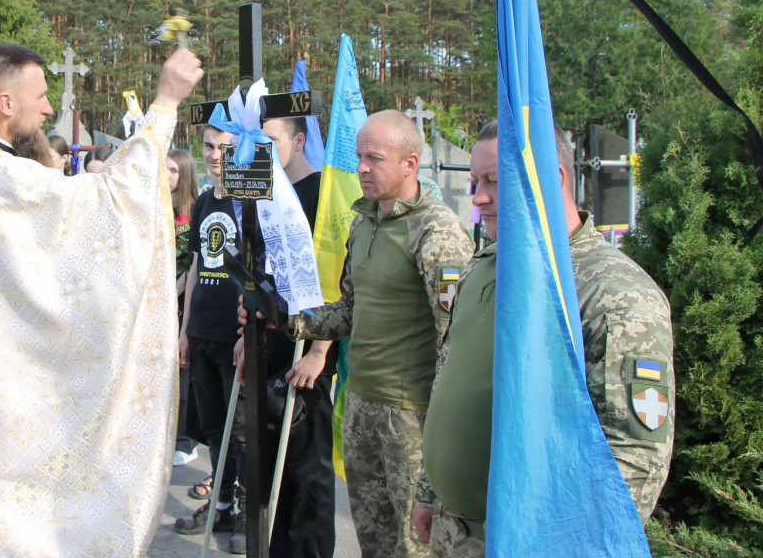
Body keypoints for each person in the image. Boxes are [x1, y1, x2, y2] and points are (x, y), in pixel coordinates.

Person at [0, 42, 203, 557]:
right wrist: (164, 105)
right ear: (7, 103)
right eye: (41, 96)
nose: (49, 108)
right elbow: (109, 206)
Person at [413, 123, 674, 557]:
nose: (477, 197)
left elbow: (635, 454)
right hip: (452, 530)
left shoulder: (611, 290)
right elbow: (451, 379)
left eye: (494, 181)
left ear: (551, 181)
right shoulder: (484, 266)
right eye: (476, 181)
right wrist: (431, 491)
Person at [286, 110, 474, 558]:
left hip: (411, 418)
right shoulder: (364, 221)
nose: (362, 168)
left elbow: (456, 337)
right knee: (374, 542)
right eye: (359, 157)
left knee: (413, 546)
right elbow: (351, 309)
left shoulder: (436, 231)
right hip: (361, 405)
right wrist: (288, 318)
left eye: (375, 158)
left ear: (410, 164)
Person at [233, 115, 337, 557]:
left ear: (298, 140)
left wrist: (318, 352)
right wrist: (245, 335)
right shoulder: (265, 191)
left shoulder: (322, 195)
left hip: (307, 357)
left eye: (270, 141)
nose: (261, 150)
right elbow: (258, 274)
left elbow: (333, 277)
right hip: (269, 345)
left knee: (307, 480)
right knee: (273, 478)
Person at [175, 125, 246, 538]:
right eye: (209, 146)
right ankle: (219, 505)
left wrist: (245, 336)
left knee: (239, 430)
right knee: (215, 429)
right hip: (201, 330)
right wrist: (185, 331)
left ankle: (240, 508)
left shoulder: (249, 202)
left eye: (225, 147)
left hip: (232, 334)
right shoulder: (203, 202)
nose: (215, 154)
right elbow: (199, 267)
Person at [168, 147, 202, 469]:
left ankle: (186, 441)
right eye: (164, 170)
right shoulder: (159, 209)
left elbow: (193, 262)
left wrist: (175, 288)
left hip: (181, 298)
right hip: (161, 298)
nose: (167, 177)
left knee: (183, 370)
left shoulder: (194, 212)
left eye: (173, 171)